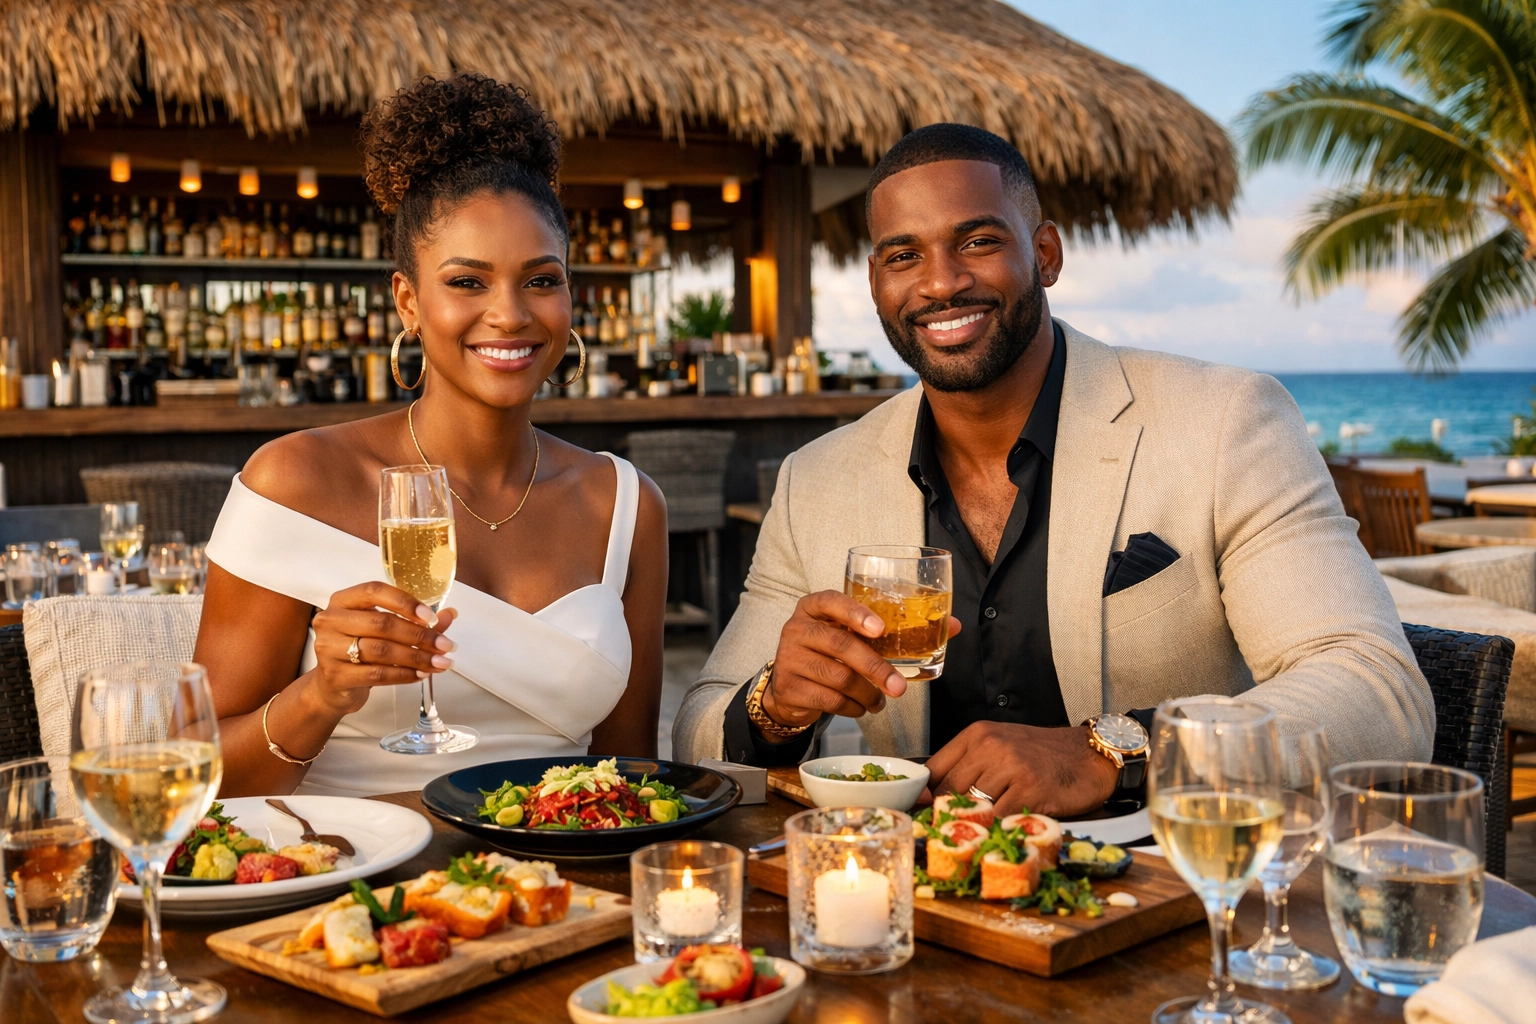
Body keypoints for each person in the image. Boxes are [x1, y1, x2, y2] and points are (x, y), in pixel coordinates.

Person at [673, 123, 1433, 818]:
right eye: (903, 255)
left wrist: (1110, 750)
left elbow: (1377, 691)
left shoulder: (1224, 420)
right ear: (876, 284)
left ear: (1045, 254)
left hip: (1170, 895)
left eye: (975, 242)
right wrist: (774, 708)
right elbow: (699, 734)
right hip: (918, 911)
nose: (939, 284)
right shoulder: (819, 480)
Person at [198, 73, 668, 798]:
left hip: (561, 892)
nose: (510, 314)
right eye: (468, 283)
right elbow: (191, 776)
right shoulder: (295, 481)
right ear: (408, 301)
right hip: (349, 883)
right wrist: (322, 694)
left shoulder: (626, 506)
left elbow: (633, 775)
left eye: (541, 280)